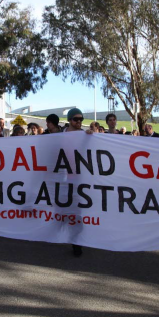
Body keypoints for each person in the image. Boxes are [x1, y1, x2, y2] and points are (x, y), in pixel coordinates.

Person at [63, 108, 93, 257]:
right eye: (76, 119)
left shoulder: (85, 135)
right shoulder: (60, 136)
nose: (79, 122)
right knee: (62, 211)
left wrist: (92, 136)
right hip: (63, 179)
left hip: (80, 180)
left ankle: (76, 242)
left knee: (77, 211)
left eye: (81, 119)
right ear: (69, 120)